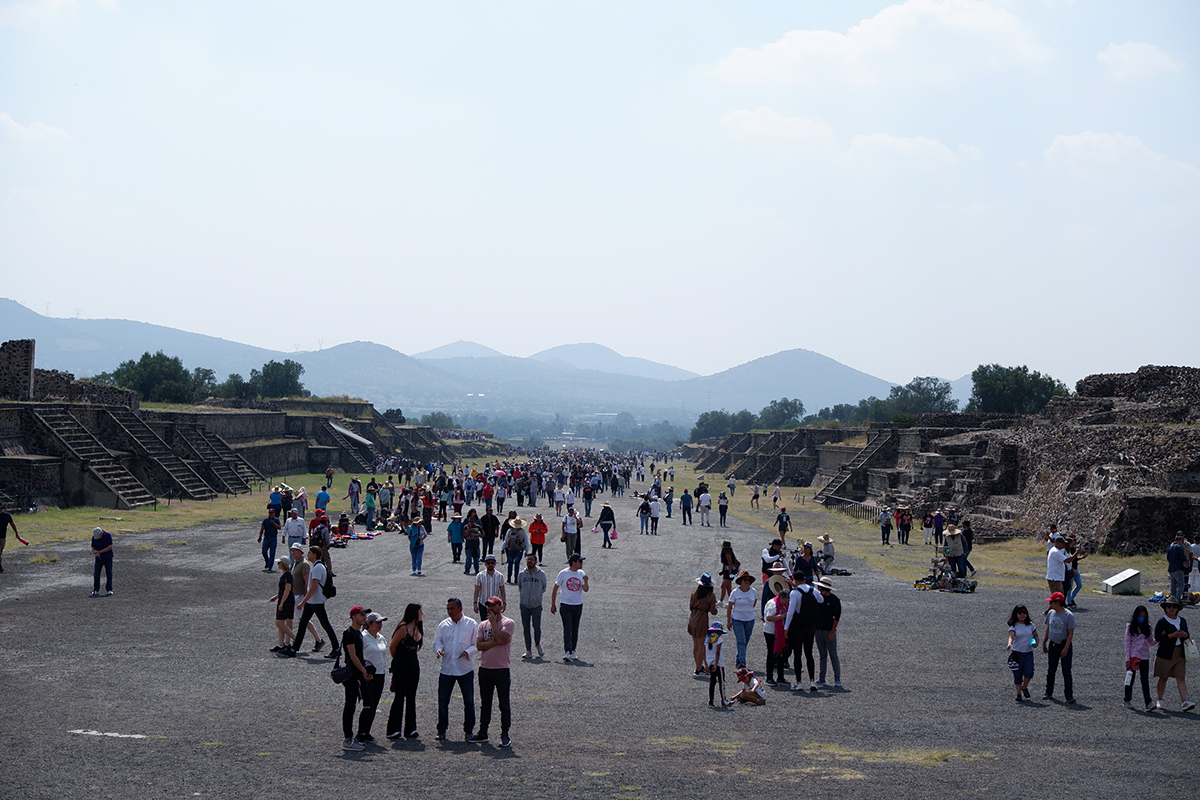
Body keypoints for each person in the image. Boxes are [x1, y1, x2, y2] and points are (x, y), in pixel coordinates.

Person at [469, 596, 515, 747]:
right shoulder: (482, 625)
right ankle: (483, 732)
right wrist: (495, 641)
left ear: (500, 608)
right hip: (485, 669)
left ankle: (505, 734)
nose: (489, 608)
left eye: (493, 606)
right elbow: (479, 646)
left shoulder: (508, 623)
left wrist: (494, 624)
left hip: (501, 669)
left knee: (504, 704)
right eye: (488, 606)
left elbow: (502, 639)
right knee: (485, 703)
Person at [281, 546, 341, 659]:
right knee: (303, 624)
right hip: (313, 601)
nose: (307, 555)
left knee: (325, 624)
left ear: (314, 554)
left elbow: (313, 588)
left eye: (309, 553)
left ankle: (336, 648)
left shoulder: (318, 568)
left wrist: (303, 602)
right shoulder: (318, 566)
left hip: (316, 601)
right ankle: (294, 649)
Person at [433, 597, 479, 741]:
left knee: (469, 701)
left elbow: (477, 643)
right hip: (446, 669)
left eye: (452, 609)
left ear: (460, 609)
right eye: (448, 609)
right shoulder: (443, 625)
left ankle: (469, 730)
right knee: (443, 701)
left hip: (464, 669)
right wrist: (438, 650)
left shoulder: (471, 624)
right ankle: (441, 730)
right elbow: (437, 641)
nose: (449, 612)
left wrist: (469, 651)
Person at [386, 603, 423, 739]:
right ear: (414, 613)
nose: (422, 614)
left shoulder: (417, 627)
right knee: (400, 695)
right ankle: (393, 729)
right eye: (420, 612)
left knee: (411, 696)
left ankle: (410, 728)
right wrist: (398, 661)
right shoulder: (403, 628)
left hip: (413, 664)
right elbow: (392, 647)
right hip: (401, 664)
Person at [785, 569, 825, 692]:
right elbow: (821, 601)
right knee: (809, 654)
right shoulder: (813, 590)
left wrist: (786, 628)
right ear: (805, 579)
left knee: (798, 654)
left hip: (798, 626)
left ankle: (799, 682)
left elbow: (791, 612)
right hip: (810, 626)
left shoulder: (795, 593)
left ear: (795, 581)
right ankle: (812, 681)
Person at [338, 605, 372, 751]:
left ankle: (358, 735)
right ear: (354, 617)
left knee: (367, 702)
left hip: (358, 674)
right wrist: (363, 670)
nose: (364, 617)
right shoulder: (349, 634)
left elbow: (360, 654)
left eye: (365, 614)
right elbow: (352, 656)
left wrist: (367, 667)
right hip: (352, 676)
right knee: (350, 707)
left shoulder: (359, 633)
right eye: (361, 615)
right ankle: (347, 739)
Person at [1153, 596, 1195, 712]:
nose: (1171, 608)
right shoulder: (1162, 621)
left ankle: (1185, 702)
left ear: (1177, 609)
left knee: (1181, 677)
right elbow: (1157, 637)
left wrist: (1184, 634)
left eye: (1174, 606)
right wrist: (1172, 635)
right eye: (1169, 606)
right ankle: (1159, 700)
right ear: (1165, 608)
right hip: (1165, 653)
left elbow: (1188, 635)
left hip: (1179, 652)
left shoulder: (1182, 620)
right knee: (1163, 678)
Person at [356, 611, 389, 743]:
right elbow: (359, 655)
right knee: (368, 705)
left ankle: (366, 731)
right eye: (377, 622)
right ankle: (360, 732)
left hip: (380, 674)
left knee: (374, 704)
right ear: (369, 624)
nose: (380, 625)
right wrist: (365, 670)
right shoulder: (363, 637)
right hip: (368, 675)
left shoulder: (381, 637)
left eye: (381, 622)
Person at [552, 553, 588, 662]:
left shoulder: (581, 574)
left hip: (578, 604)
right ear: (573, 562)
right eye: (580, 561)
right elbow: (555, 588)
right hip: (565, 604)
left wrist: (586, 581)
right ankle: (567, 650)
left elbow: (585, 589)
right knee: (567, 628)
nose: (581, 563)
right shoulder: (563, 573)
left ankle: (573, 650)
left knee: (575, 628)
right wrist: (553, 604)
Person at [288, 542, 324, 652]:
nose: (293, 552)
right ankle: (316, 640)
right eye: (292, 551)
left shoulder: (303, 564)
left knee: (303, 620)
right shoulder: (296, 563)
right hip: (296, 595)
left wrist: (304, 599)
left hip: (300, 596)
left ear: (300, 552)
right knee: (302, 620)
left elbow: (307, 582)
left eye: (295, 551)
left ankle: (317, 639)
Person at [1042, 591, 1076, 703]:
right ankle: (1048, 692)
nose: (1050, 604)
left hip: (1064, 644)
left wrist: (1066, 648)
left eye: (1052, 602)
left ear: (1058, 602)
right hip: (1052, 645)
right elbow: (1048, 628)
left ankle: (1069, 696)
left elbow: (1070, 633)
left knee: (1066, 671)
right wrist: (1044, 642)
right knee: (1051, 670)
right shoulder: (1051, 613)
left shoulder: (1068, 615)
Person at [1124, 604, 1155, 711]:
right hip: (1133, 657)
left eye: (1143, 616)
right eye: (1140, 615)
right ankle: (1127, 699)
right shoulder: (1130, 627)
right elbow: (1127, 643)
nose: (1141, 617)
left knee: (1145, 680)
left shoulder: (1148, 627)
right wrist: (1128, 659)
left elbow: (1151, 642)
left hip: (1144, 657)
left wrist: (1161, 637)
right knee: (1130, 679)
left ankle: (1148, 702)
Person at [813, 576, 842, 688]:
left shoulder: (834, 600)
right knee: (822, 655)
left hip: (828, 631)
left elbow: (836, 618)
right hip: (818, 630)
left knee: (833, 655)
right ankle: (821, 677)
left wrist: (832, 632)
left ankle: (837, 678)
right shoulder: (818, 599)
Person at [517, 553, 547, 659]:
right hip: (524, 605)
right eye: (528, 559)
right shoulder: (521, 574)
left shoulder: (541, 574)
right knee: (526, 628)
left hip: (536, 605)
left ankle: (538, 644)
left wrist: (536, 597)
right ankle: (528, 650)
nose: (529, 561)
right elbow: (520, 587)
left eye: (532, 559)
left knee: (537, 627)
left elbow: (544, 587)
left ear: (536, 562)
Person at [1005, 605, 1037, 702]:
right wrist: (1009, 644)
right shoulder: (1013, 626)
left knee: (1029, 672)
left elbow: (1035, 636)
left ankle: (1024, 687)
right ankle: (1019, 694)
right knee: (1017, 673)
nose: (1022, 615)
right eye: (1020, 613)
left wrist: (1035, 643)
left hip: (1028, 653)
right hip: (1016, 653)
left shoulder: (1030, 625)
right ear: (1016, 614)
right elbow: (1011, 636)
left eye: (1024, 612)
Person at [689, 573, 719, 675]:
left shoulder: (694, 593)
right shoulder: (710, 595)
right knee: (701, 646)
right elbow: (713, 612)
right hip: (702, 619)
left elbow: (691, 606)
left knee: (696, 645)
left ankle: (698, 666)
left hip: (693, 618)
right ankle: (698, 669)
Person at [726, 572, 757, 670]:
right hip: (737, 619)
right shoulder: (735, 592)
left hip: (749, 620)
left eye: (749, 580)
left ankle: (738, 659)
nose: (747, 582)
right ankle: (743, 662)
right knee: (741, 641)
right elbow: (730, 606)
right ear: (740, 581)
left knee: (745, 641)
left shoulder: (753, 591)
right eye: (745, 580)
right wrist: (728, 621)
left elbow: (754, 603)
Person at [268, 557, 296, 652]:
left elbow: (288, 589)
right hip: (284, 599)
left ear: (283, 564)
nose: (277, 564)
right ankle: (281, 644)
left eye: (279, 563)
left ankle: (295, 639)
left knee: (279, 622)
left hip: (287, 601)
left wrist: (282, 603)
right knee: (280, 623)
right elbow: (283, 590)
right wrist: (276, 597)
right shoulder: (285, 574)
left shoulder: (288, 575)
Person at [706, 621, 732, 706]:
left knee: (712, 682)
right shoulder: (719, 640)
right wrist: (716, 664)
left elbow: (703, 652)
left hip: (710, 663)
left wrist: (706, 664)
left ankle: (711, 700)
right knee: (721, 681)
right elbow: (717, 653)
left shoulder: (707, 639)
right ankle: (723, 700)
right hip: (718, 664)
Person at [474, 554, 506, 620]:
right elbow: (476, 590)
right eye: (488, 563)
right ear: (485, 564)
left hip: (495, 605)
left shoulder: (500, 576)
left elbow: (502, 590)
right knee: (484, 625)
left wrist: (504, 603)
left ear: (495, 564)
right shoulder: (480, 576)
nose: (490, 564)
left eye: (492, 563)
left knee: (496, 624)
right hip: (483, 603)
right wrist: (475, 603)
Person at [0, 503, 28, 573]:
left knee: (0, 552)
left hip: (2, 537)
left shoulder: (6, 516)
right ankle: (0, 567)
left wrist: (16, 533)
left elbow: (12, 524)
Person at [90, 526, 114, 597]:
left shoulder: (108, 535)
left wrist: (99, 552)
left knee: (109, 573)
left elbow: (109, 547)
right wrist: (95, 552)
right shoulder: (94, 538)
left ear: (101, 533)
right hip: (98, 559)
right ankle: (96, 590)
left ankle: (109, 589)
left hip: (108, 557)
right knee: (96, 574)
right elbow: (93, 548)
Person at [1167, 533, 1191, 603]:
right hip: (1178, 568)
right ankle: (1177, 599)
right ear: (1180, 541)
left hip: (1171, 568)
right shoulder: (1179, 547)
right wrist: (1185, 559)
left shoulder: (1170, 547)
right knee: (1181, 584)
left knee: (1173, 584)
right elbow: (1182, 557)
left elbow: (1168, 558)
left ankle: (1172, 598)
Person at [503, 518, 527, 583]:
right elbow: (526, 542)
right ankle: (516, 578)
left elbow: (506, 540)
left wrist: (503, 548)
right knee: (517, 563)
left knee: (510, 563)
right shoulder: (523, 532)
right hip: (519, 549)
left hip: (510, 549)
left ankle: (509, 578)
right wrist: (526, 551)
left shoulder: (509, 531)